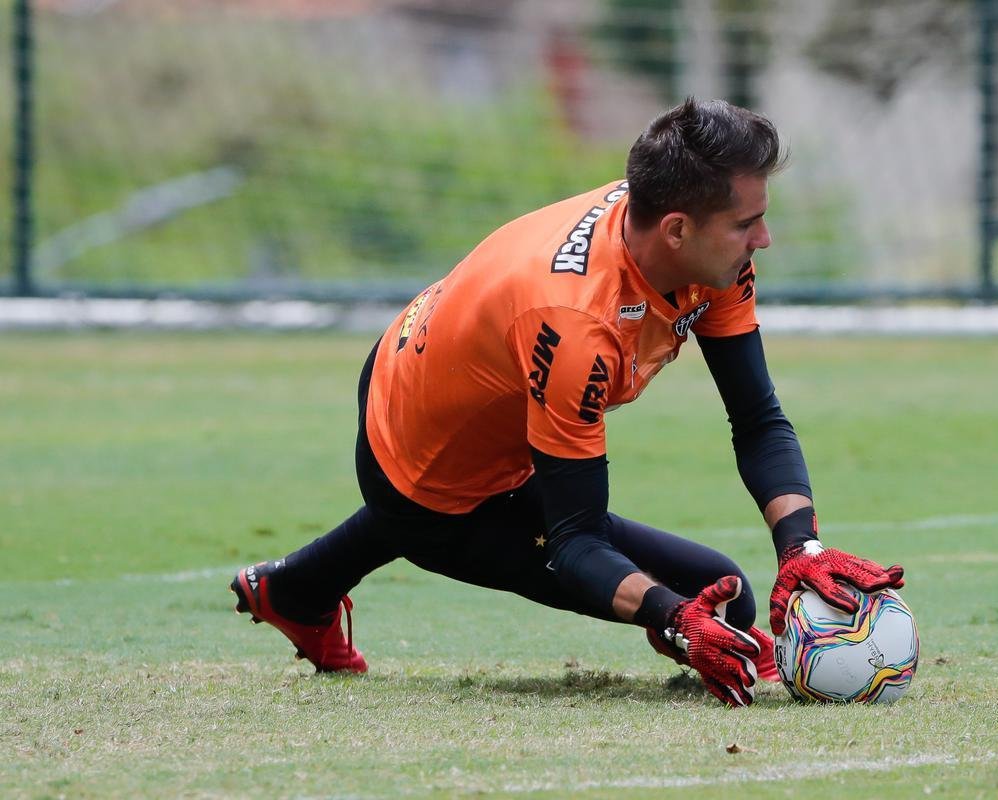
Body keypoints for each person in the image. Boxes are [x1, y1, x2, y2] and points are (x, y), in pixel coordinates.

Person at [231, 98, 904, 707]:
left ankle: (294, 589)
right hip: (423, 463)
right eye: (748, 223)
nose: (764, 239)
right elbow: (574, 542)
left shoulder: (696, 244)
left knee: (713, 593)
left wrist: (801, 548)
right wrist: (673, 616)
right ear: (677, 230)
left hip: (438, 370)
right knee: (713, 599)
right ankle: (302, 588)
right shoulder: (577, 322)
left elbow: (757, 417)